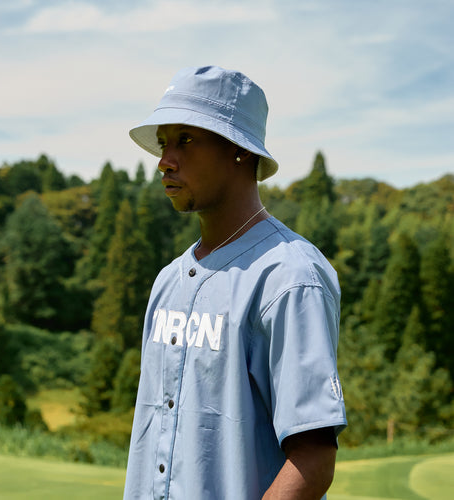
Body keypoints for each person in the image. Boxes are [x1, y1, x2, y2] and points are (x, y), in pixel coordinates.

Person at [123, 65, 347, 500]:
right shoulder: (168, 280)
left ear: (239, 151)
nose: (164, 160)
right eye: (164, 143)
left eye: (186, 139)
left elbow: (313, 458)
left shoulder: (290, 277)